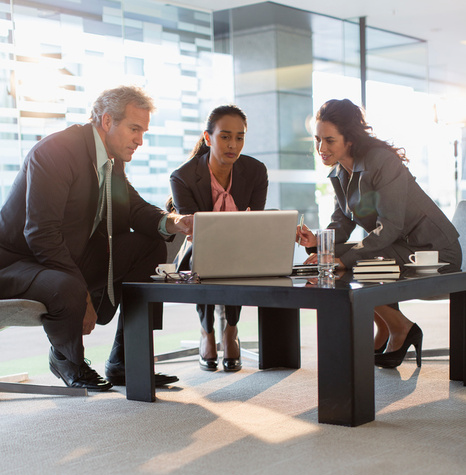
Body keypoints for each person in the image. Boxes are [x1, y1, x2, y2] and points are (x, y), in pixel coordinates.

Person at [0, 86, 192, 390]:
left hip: (63, 256)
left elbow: (133, 208)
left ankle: (126, 361)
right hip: (17, 262)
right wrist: (82, 291)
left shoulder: (110, 161)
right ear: (106, 121)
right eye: (134, 129)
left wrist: (175, 222)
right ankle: (67, 359)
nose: (140, 140)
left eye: (143, 131)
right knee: (65, 284)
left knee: (150, 245)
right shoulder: (56, 152)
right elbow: (41, 234)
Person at [297, 98, 462, 368]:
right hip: (397, 248)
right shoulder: (340, 172)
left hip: (434, 251)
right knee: (329, 255)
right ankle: (387, 326)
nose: (321, 148)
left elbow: (390, 226)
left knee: (346, 260)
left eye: (329, 140)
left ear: (348, 139)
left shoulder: (382, 161)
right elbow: (342, 222)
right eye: (317, 140)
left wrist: (341, 258)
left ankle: (401, 328)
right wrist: (317, 240)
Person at [169, 104, 268, 372]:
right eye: (225, 136)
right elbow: (194, 231)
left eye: (239, 137)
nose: (233, 144)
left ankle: (231, 329)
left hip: (240, 248)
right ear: (207, 137)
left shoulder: (256, 171)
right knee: (206, 257)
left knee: (237, 255)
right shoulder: (183, 177)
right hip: (197, 250)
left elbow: (256, 222)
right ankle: (207, 331)